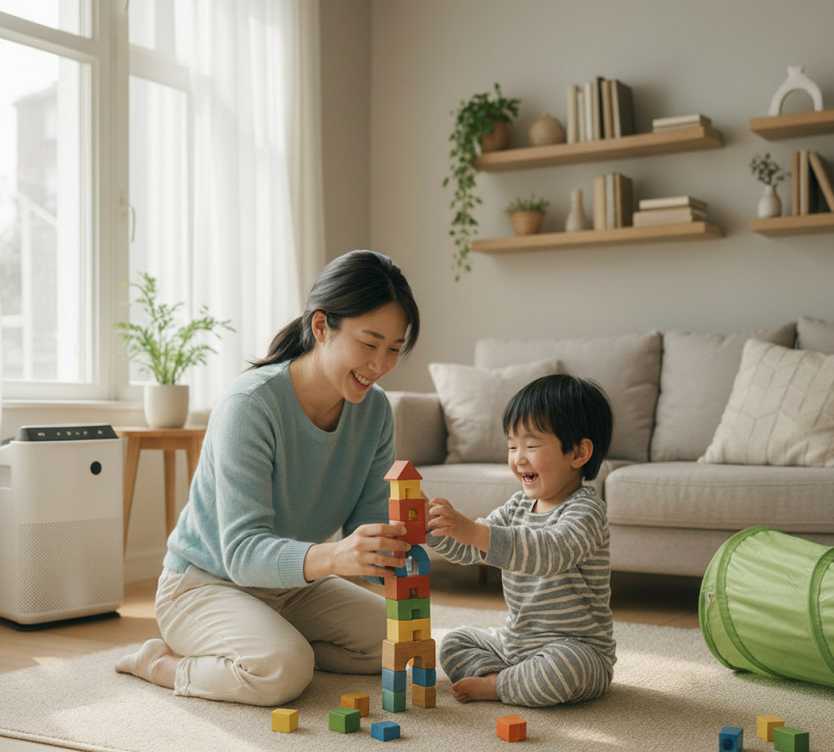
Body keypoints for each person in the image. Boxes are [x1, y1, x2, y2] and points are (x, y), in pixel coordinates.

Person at [116, 250, 420, 706]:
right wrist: (336, 556)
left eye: (394, 349)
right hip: (205, 584)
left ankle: (275, 644)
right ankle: (161, 663)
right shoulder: (251, 405)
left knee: (403, 640)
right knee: (283, 670)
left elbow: (367, 526)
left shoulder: (375, 411)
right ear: (322, 327)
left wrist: (410, 542)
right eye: (369, 343)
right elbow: (241, 553)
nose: (380, 364)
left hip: (292, 586)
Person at [426, 374, 616, 707]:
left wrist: (472, 530)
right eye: (512, 446)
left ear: (578, 453)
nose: (518, 458)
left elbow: (550, 552)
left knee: (564, 670)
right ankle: (510, 677)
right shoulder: (516, 506)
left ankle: (499, 685)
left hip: (577, 648)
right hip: (516, 643)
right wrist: (436, 528)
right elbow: (472, 548)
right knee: (454, 642)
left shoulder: (586, 511)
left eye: (531, 446)